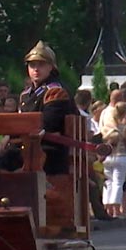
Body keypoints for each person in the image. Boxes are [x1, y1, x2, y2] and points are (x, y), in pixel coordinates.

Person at [18, 41, 78, 175]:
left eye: (41, 64)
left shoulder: (56, 91)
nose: (36, 69)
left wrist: (19, 131)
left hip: (49, 149)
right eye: (32, 65)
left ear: (51, 67)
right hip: (28, 145)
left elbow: (48, 124)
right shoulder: (25, 94)